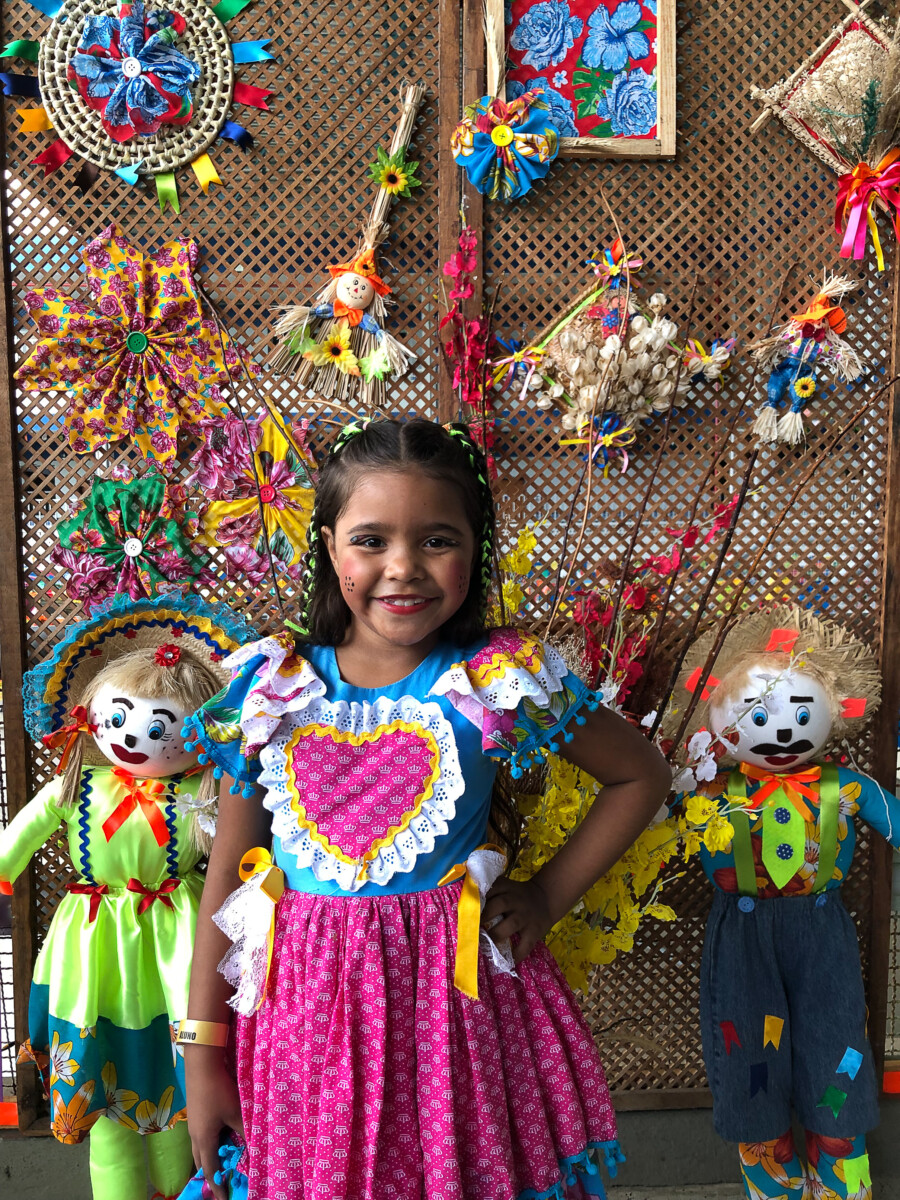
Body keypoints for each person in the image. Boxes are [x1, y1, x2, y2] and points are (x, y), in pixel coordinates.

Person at [181, 418, 671, 1200]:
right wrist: (203, 1052)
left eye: (438, 540)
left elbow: (640, 775)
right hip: (307, 1024)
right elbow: (227, 885)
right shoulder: (273, 689)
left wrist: (546, 896)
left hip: (458, 1018)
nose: (403, 567)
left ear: (477, 549)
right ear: (329, 548)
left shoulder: (497, 678)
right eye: (370, 540)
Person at [0, 592, 252, 1200]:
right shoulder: (75, 786)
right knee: (105, 1086)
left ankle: (181, 1186)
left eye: (159, 729)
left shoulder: (204, 790)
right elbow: (19, 838)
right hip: (95, 940)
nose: (134, 740)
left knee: (176, 1068)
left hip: (177, 933)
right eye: (116, 720)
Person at [664, 606, 898, 1200]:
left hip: (823, 936)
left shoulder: (847, 787)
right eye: (760, 715)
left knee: (838, 1045)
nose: (784, 731)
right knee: (749, 1055)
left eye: (801, 713)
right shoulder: (705, 789)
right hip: (741, 940)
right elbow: (639, 824)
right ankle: (773, 1179)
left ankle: (841, 1174)